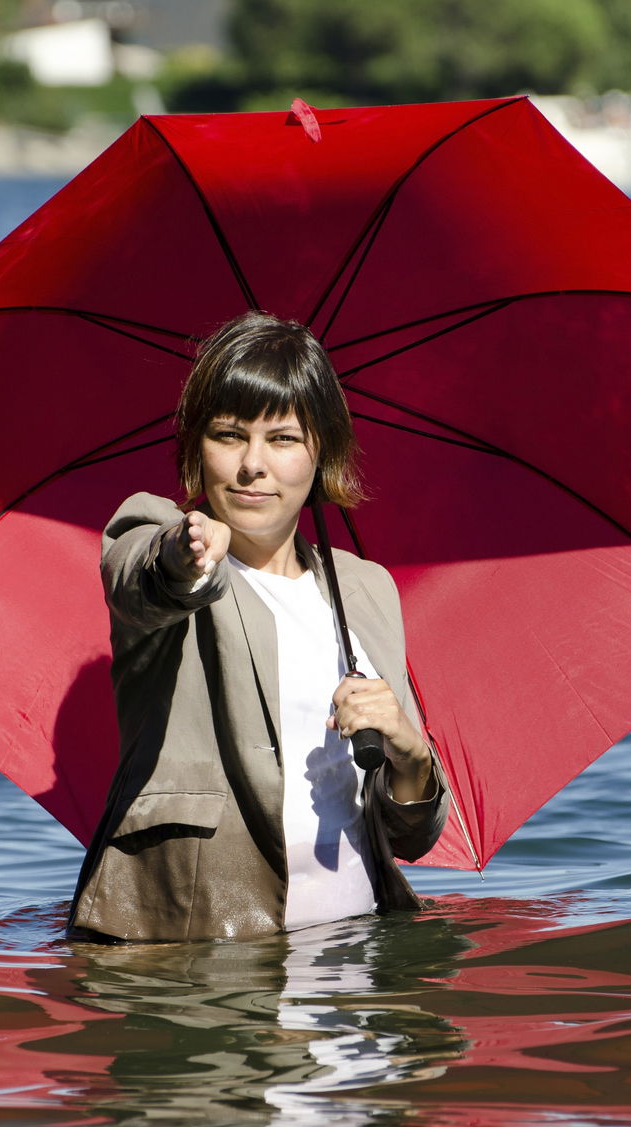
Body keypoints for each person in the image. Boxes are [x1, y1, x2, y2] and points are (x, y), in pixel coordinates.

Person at [68, 311, 449, 942]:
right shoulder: (165, 540)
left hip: (354, 957)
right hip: (193, 957)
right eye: (228, 435)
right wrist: (183, 556)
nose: (252, 465)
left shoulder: (365, 588)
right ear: (197, 449)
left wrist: (409, 751)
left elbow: (409, 837)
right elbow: (142, 582)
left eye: (282, 439)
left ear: (319, 451)